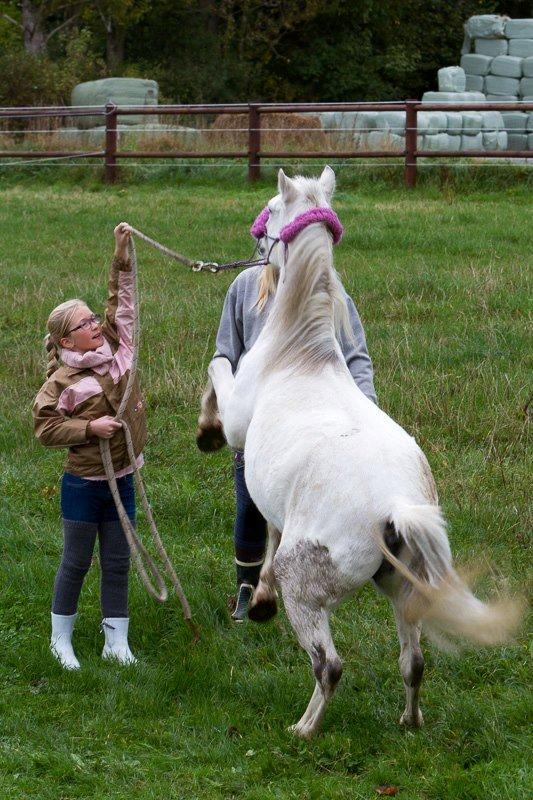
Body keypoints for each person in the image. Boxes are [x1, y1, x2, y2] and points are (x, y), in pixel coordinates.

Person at [212, 254, 378, 621]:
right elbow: (225, 352)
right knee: (249, 506)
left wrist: (366, 408)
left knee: (301, 506)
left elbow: (356, 355)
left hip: (314, 424)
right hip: (259, 425)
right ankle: (248, 585)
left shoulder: (329, 290)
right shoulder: (243, 287)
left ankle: (297, 583)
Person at [32, 223, 145, 669]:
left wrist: (121, 254)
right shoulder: (61, 383)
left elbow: (122, 300)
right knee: (77, 561)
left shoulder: (120, 346)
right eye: (84, 323)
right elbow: (44, 429)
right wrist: (87, 427)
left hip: (124, 478)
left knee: (118, 561)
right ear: (66, 341)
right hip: (83, 485)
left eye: (94, 318)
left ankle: (116, 642)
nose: (96, 323)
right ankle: (61, 640)